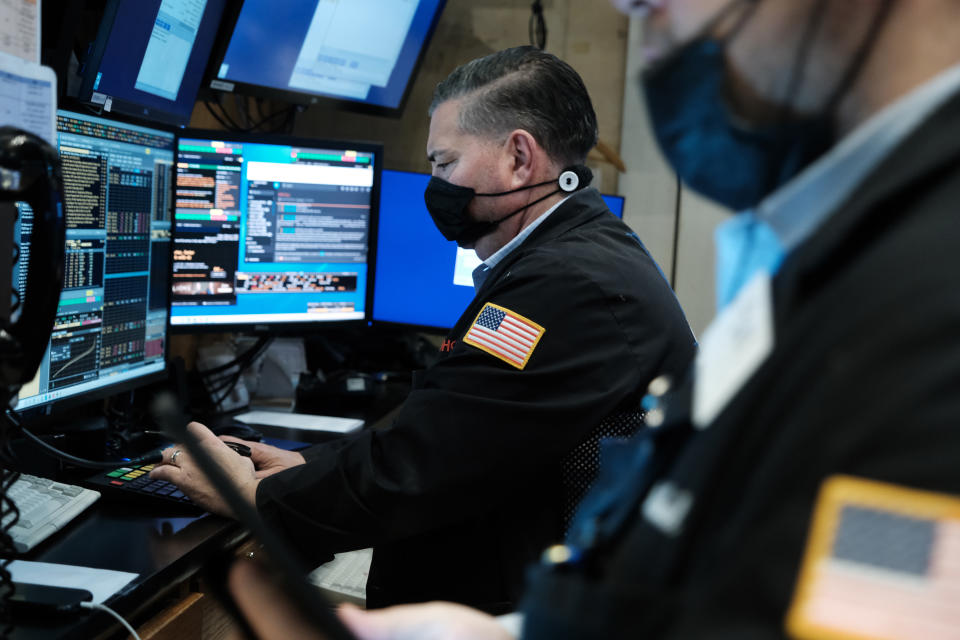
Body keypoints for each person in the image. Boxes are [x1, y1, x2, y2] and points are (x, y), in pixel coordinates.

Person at [223, 0, 960, 637]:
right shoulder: (832, 254)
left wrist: (263, 496)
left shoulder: (922, 287)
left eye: (445, 163)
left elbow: (857, 602)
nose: (636, 12)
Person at [153, 47, 696, 612]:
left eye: (443, 164)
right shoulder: (578, 255)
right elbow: (454, 426)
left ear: (518, 157)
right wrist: (306, 467)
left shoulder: (567, 284)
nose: (434, 185)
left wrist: (252, 494)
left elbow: (420, 468)